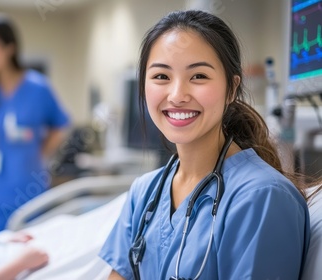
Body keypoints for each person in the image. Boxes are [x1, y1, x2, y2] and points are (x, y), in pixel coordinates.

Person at [99, 10, 310, 280]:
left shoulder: (262, 198)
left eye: (198, 76)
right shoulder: (144, 193)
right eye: (161, 77)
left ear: (232, 89)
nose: (177, 96)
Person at [0, 14, 70, 233]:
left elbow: (61, 126)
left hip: (28, 185)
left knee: (30, 254)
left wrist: (40, 155)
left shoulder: (38, 88)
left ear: (10, 47)